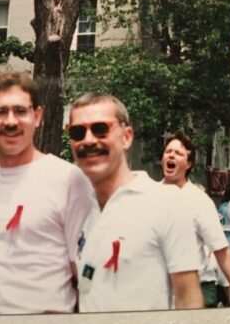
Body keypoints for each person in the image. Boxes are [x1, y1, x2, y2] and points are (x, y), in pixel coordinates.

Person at [0, 72, 92, 314]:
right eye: (0, 112)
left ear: (37, 116)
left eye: (21, 111)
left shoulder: (68, 179)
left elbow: (85, 272)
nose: (11, 121)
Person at [67, 92, 202, 312]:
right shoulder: (77, 208)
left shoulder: (166, 202)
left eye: (100, 129)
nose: (89, 140)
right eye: (78, 132)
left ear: (127, 136)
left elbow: (189, 300)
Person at [161, 131, 230, 306]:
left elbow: (221, 249)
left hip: (194, 292)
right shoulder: (150, 195)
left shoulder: (199, 201)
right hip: (157, 293)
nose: (171, 155)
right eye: (168, 151)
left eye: (178, 153)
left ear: (188, 163)